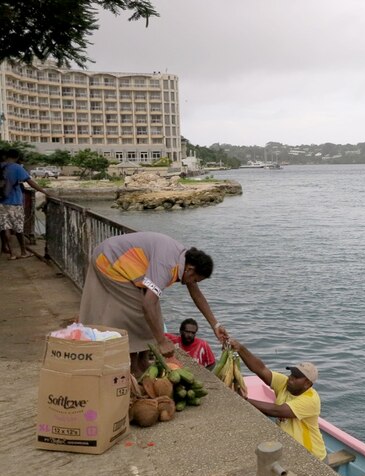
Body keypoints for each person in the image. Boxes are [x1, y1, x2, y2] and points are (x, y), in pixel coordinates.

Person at [78, 231, 229, 375]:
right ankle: (131, 366)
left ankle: (143, 360)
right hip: (110, 260)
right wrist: (162, 342)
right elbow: (147, 305)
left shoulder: (184, 259)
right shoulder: (167, 265)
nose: (194, 283)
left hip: (126, 262)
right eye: (195, 279)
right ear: (190, 269)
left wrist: (215, 325)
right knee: (136, 312)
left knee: (154, 310)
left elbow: (196, 293)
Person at [230, 339, 326, 460]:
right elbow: (261, 369)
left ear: (307, 384)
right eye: (291, 374)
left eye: (296, 377)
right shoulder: (285, 383)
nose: (290, 378)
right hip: (290, 450)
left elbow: (276, 411)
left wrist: (245, 400)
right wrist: (240, 348)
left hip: (311, 456)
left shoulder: (311, 400)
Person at [0, 148, 49, 259]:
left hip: (1, 202)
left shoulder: (1, 166)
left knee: (4, 227)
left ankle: (12, 253)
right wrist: (44, 191)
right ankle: (23, 252)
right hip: (14, 202)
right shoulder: (17, 168)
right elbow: (30, 182)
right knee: (18, 229)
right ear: (17, 157)